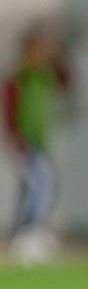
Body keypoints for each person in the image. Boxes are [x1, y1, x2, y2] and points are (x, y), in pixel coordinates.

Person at [2, 22, 69, 264]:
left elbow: (65, 80)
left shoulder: (45, 76)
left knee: (43, 182)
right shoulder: (19, 78)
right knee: (38, 184)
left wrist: (56, 54)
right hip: (24, 140)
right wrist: (12, 138)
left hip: (39, 140)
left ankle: (33, 230)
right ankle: (27, 231)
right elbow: (9, 110)